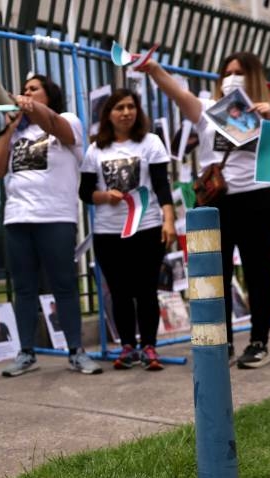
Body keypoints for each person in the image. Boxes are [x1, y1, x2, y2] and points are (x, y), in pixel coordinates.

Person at [138, 52, 270, 369]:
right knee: (216, 274)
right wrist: (153, 69)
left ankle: (259, 342)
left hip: (257, 198)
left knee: (257, 271)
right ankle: (223, 342)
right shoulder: (208, 109)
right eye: (227, 72)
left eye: (240, 73)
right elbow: (178, 94)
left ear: (255, 77)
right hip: (216, 199)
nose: (232, 78)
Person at [0, 74, 102, 377]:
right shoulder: (16, 131)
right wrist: (12, 124)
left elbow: (58, 128)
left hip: (55, 217)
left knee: (64, 286)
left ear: (50, 94)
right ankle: (26, 352)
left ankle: (76, 351)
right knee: (23, 289)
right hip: (17, 218)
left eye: (33, 89)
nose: (26, 93)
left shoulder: (67, 119)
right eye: (24, 90)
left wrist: (32, 109)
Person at [79, 89, 177, 371]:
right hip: (108, 232)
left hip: (146, 228)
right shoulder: (95, 149)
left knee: (146, 291)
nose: (126, 112)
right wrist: (104, 196)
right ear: (108, 114)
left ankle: (149, 347)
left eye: (130, 107)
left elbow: (161, 185)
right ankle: (127, 347)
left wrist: (168, 221)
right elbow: (85, 192)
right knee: (119, 292)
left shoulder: (151, 142)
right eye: (119, 107)